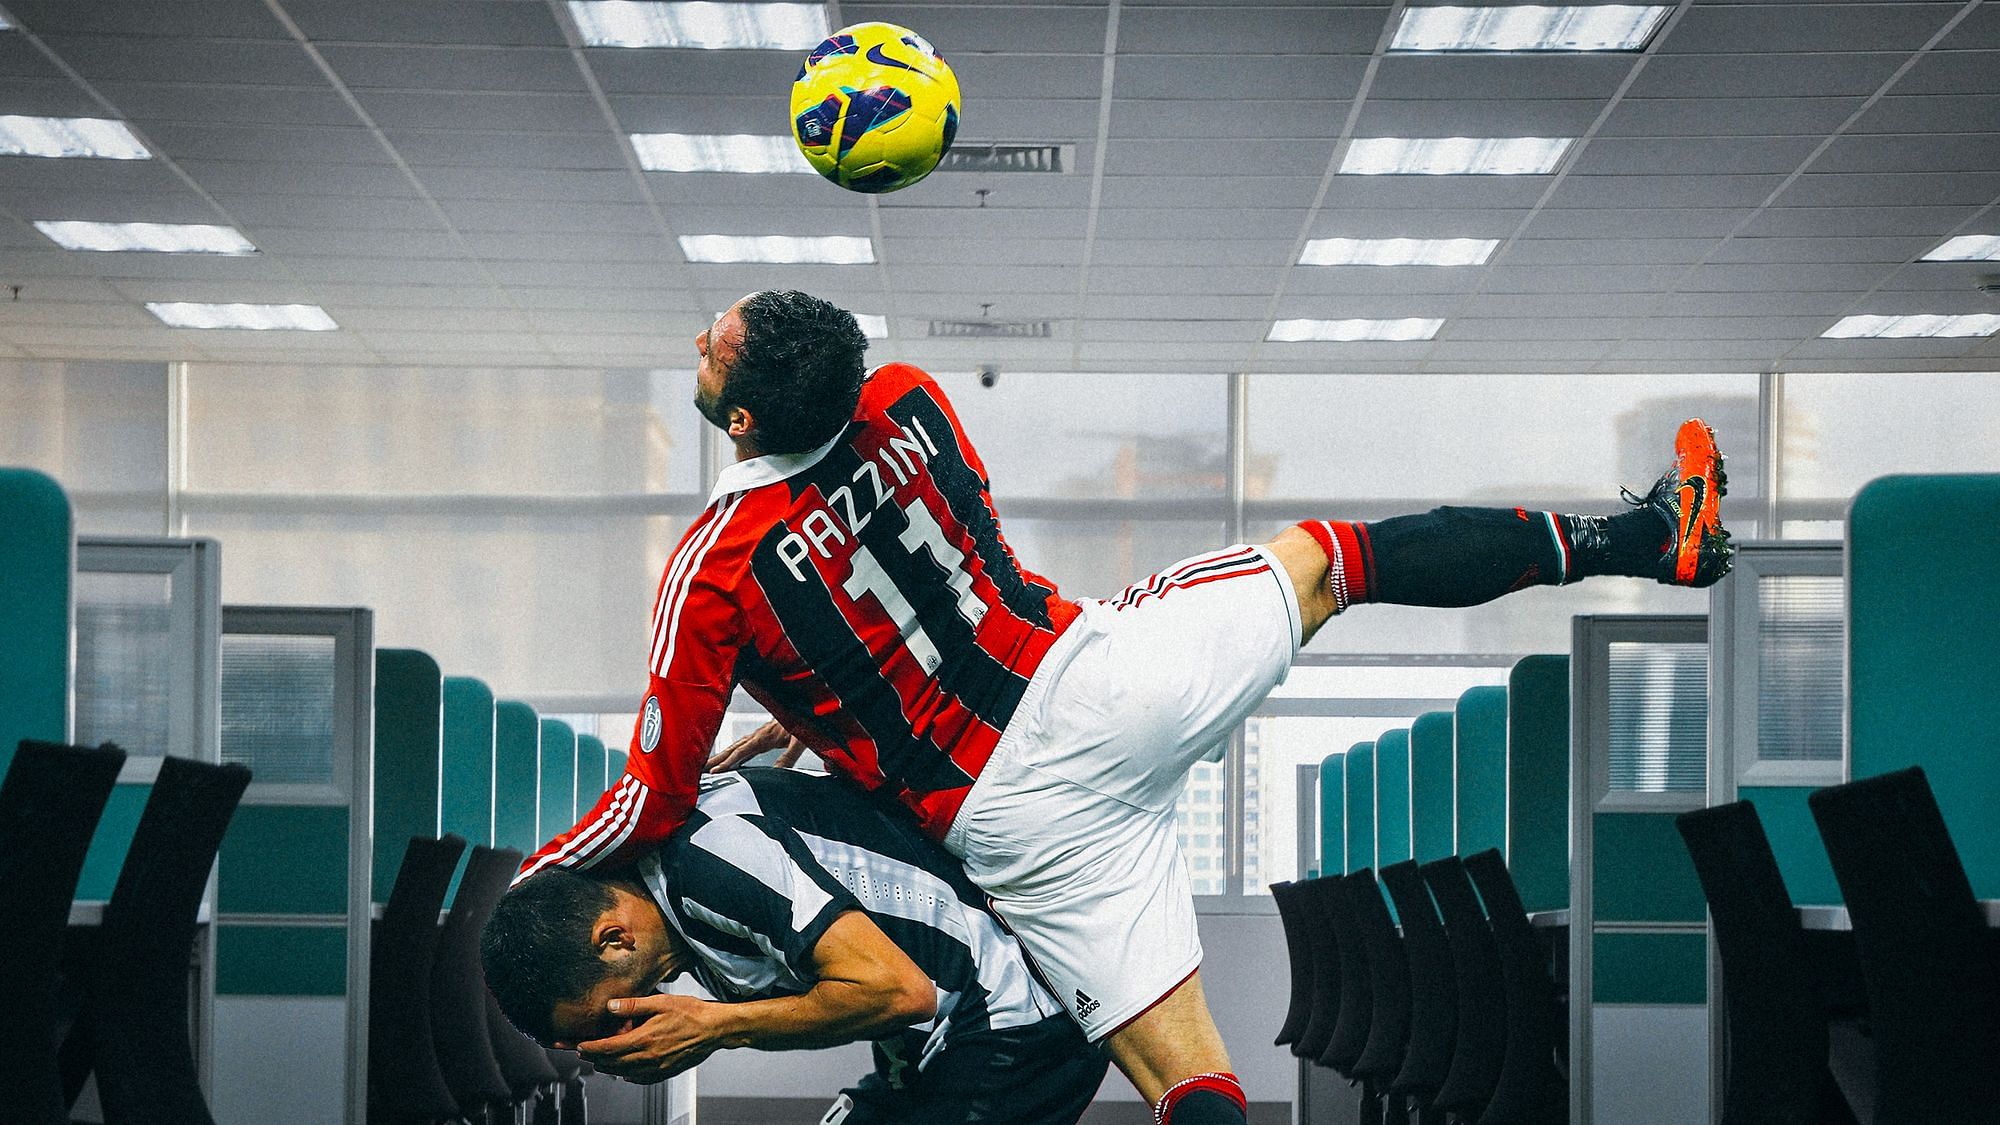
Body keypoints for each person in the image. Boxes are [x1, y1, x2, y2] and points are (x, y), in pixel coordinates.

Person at [520, 289, 1733, 1124]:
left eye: (709, 346)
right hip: (1097, 685)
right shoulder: (907, 395)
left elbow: (657, 795)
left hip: (1014, 822)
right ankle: (1638, 536)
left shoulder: (717, 565)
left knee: (1181, 1075)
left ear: (738, 422)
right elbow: (924, 561)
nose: (696, 339)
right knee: (1334, 562)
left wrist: (535, 880)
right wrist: (814, 705)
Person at [485, 767, 1108, 1124]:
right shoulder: (671, 887)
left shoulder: (708, 863)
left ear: (614, 939)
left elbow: (900, 991)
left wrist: (716, 1027)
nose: (628, 1025)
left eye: (609, 1015)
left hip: (1014, 1024)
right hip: (935, 1041)